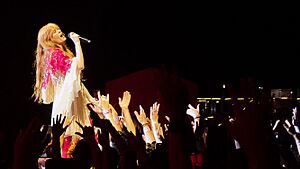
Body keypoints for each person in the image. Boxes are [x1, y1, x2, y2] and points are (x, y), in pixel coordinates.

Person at [32, 23, 96, 158]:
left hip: (69, 99)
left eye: (59, 29)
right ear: (48, 39)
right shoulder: (54, 54)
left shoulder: (54, 54)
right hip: (68, 101)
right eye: (55, 31)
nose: (60, 32)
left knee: (73, 134)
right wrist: (77, 43)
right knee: (74, 133)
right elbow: (80, 65)